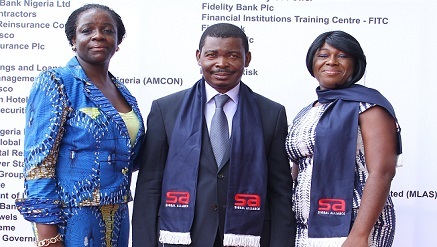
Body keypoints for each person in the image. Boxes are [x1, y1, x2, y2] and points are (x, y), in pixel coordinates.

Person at [132, 23, 295, 247]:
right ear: (199, 57)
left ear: (247, 59)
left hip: (249, 236)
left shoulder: (271, 114)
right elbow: (149, 185)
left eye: (232, 55)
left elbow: (280, 191)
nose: (221, 63)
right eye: (212, 55)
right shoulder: (166, 109)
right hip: (181, 236)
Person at [15, 4, 145, 247]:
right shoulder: (57, 82)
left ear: (117, 42)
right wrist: (48, 235)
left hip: (117, 216)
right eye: (88, 30)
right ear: (73, 40)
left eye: (107, 30)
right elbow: (38, 165)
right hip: (72, 219)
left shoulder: (124, 93)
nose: (98, 36)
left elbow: (131, 157)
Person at [286, 30, 402, 247]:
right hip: (306, 228)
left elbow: (383, 171)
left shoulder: (369, 107)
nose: (331, 61)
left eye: (342, 56)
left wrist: (359, 235)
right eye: (323, 55)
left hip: (355, 227)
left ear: (355, 64)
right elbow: (299, 168)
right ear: (312, 62)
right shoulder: (306, 112)